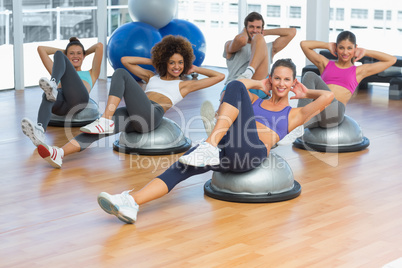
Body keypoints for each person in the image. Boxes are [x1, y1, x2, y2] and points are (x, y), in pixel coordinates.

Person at [96, 59, 334, 224]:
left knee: (236, 85)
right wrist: (257, 84)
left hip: (251, 152)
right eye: (277, 78)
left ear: (293, 82)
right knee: (180, 168)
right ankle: (131, 201)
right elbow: (226, 98)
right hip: (227, 148)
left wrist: (305, 94)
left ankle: (209, 144)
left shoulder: (294, 114)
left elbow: (328, 96)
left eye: (287, 80)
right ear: (270, 79)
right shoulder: (254, 101)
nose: (282, 84)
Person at [36, 35, 225, 168]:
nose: (177, 66)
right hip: (136, 113)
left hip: (152, 115)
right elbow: (126, 60)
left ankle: (105, 119)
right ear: (165, 62)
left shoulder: (184, 85)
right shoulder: (152, 76)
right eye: (172, 62)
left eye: (180, 63)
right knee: (96, 131)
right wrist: (156, 60)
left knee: (120, 75)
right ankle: (59, 154)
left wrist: (195, 69)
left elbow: (219, 76)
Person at [201, 12, 297, 141]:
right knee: (233, 89)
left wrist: (264, 33)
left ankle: (249, 72)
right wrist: (247, 32)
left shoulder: (268, 47)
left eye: (258, 27)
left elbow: (292, 32)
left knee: (259, 40)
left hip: (259, 86)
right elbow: (241, 39)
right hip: (237, 84)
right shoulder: (231, 45)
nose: (255, 30)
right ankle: (216, 124)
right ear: (245, 28)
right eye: (251, 27)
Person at [299, 30, 396, 129]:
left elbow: (392, 60)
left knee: (311, 77)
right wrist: (327, 45)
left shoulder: (359, 71)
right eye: (341, 48)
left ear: (355, 48)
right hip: (317, 110)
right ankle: (299, 119)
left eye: (349, 48)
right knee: (309, 75)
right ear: (336, 48)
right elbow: (304, 44)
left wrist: (365, 51)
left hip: (335, 111)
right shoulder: (325, 64)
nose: (345, 52)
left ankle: (298, 118)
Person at [21, 37, 103, 147]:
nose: (75, 56)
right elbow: (41, 49)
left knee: (59, 56)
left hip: (78, 100)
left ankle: (53, 84)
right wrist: (64, 52)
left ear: (83, 56)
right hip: (61, 104)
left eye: (79, 53)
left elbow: (99, 46)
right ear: (67, 55)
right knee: (47, 94)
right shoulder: (58, 71)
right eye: (71, 53)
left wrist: (83, 53)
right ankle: (40, 131)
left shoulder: (91, 73)